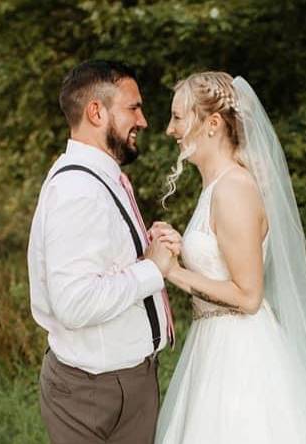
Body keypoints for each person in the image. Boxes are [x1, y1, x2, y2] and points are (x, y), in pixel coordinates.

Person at [154, 72, 306, 443]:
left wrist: (173, 271)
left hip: (239, 356)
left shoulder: (233, 190)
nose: (170, 129)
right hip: (213, 345)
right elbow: (220, 266)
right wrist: (179, 248)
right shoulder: (216, 188)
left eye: (177, 116)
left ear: (213, 124)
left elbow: (248, 296)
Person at [27, 60, 180, 444]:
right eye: (133, 108)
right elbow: (75, 304)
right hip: (96, 392)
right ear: (96, 111)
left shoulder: (98, 177)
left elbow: (103, 262)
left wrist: (146, 248)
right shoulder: (80, 192)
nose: (143, 120)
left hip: (125, 382)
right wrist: (152, 270)